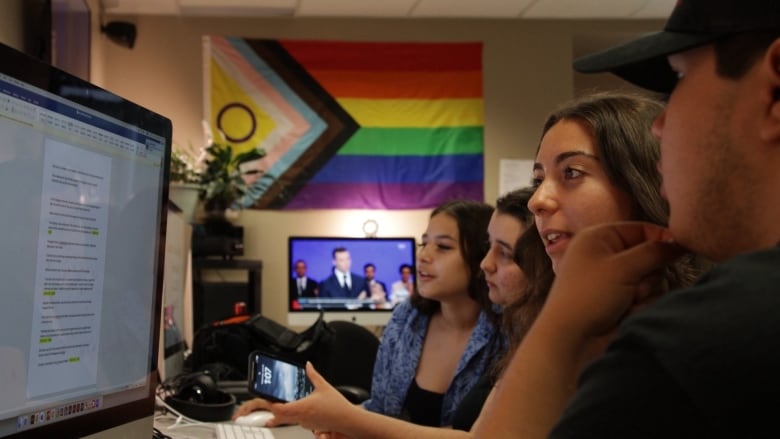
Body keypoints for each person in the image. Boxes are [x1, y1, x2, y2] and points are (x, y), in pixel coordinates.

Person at [474, 5, 780, 433]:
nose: (660, 125)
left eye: (679, 80)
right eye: (539, 178)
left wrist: (559, 331)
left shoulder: (704, 339)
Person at [247, 189, 553, 439]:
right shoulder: (408, 318)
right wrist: (310, 413)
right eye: (423, 244)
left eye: (443, 247)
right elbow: (379, 412)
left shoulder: (512, 330)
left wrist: (349, 419)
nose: (423, 255)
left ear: (474, 257)